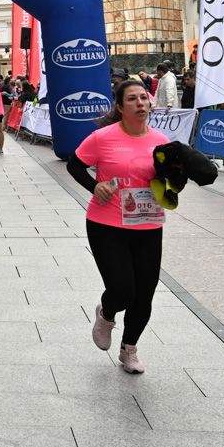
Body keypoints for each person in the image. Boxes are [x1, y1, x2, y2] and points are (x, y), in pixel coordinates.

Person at [65, 79, 171, 375]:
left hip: (148, 224)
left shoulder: (161, 142)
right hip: (106, 223)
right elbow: (74, 165)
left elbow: (171, 180)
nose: (140, 103)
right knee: (123, 289)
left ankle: (129, 349)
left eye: (144, 98)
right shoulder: (102, 138)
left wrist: (174, 182)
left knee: (144, 294)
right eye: (132, 99)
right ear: (120, 107)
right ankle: (106, 313)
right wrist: (94, 186)